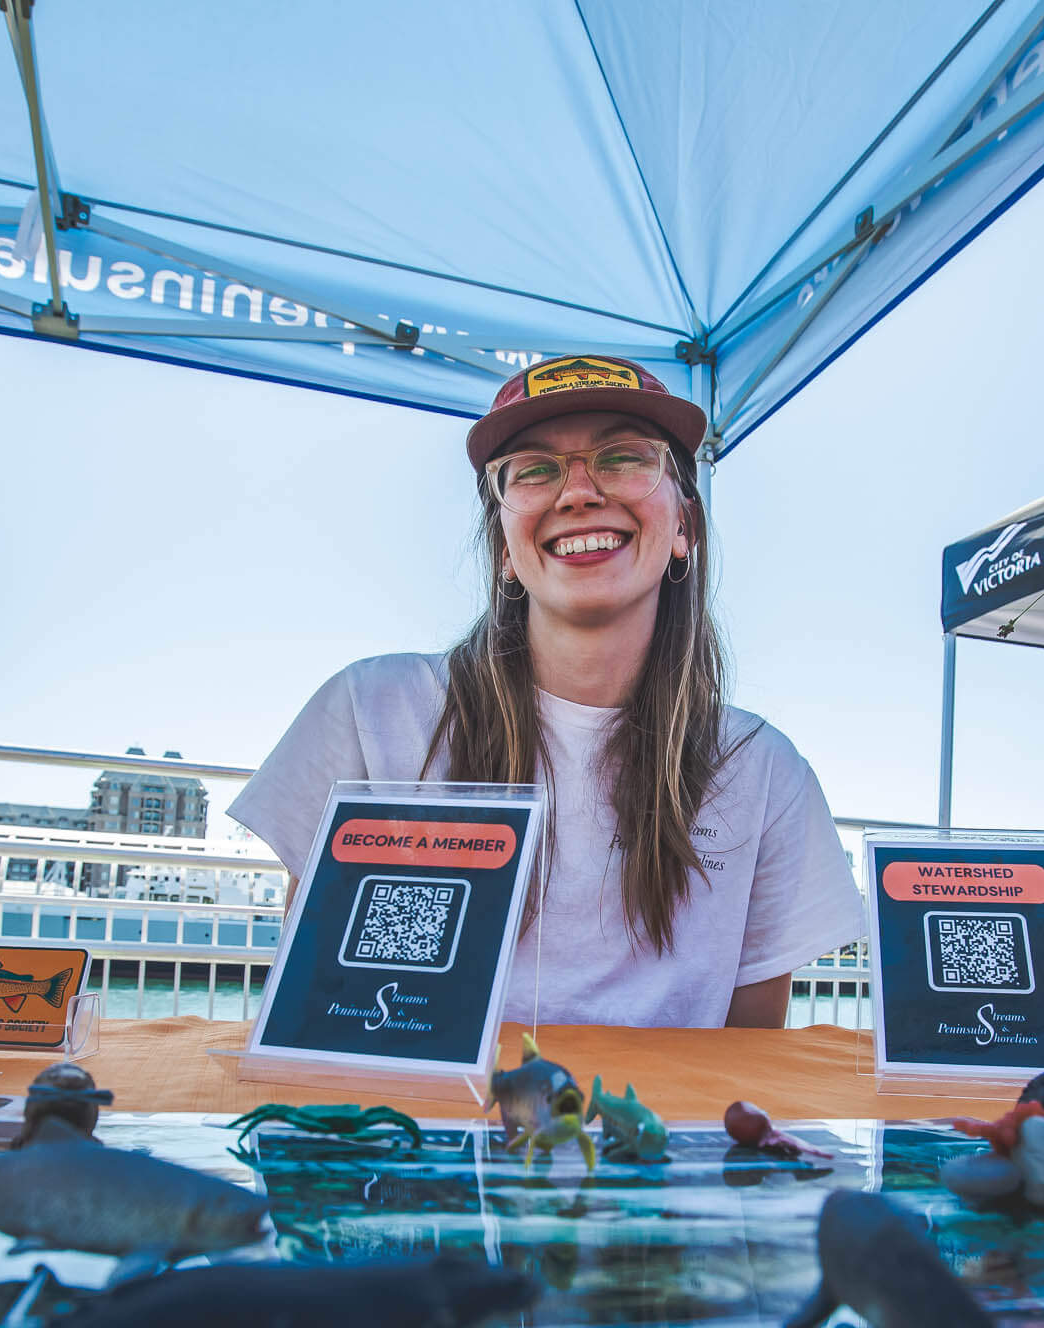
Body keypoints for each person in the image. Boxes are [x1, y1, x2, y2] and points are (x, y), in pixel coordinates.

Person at [229, 354, 865, 1027]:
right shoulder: (368, 709)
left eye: (623, 457)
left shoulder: (766, 770)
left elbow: (746, 1065)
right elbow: (315, 1013)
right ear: (503, 546)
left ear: (684, 526)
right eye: (533, 468)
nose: (578, 491)